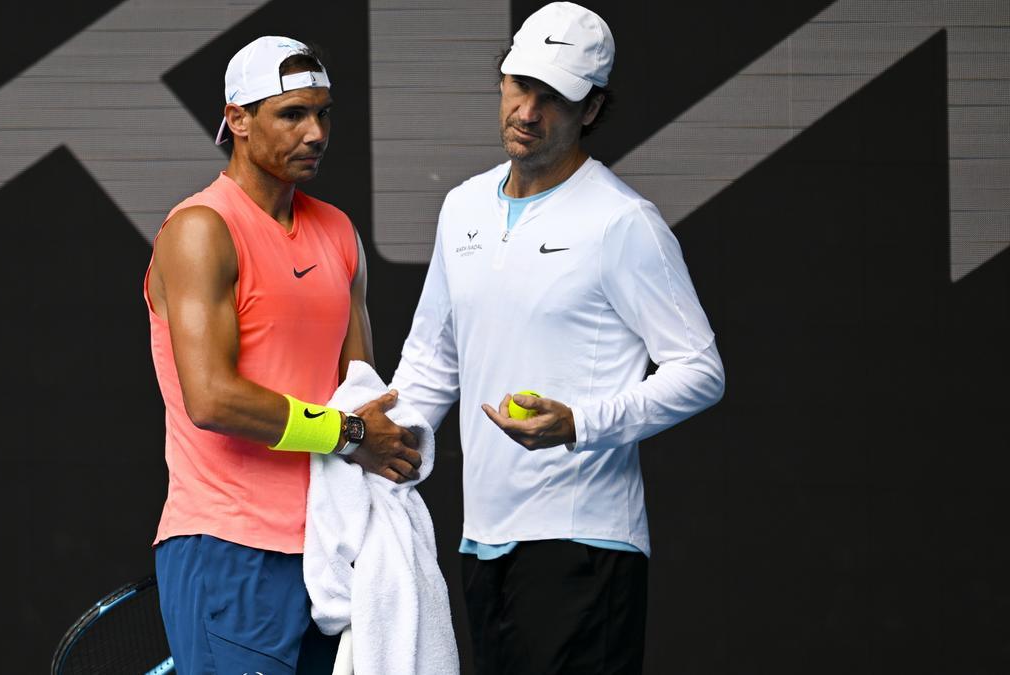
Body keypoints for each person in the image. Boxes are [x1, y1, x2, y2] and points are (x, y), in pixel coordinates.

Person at [390, 3, 726, 673]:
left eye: (554, 97)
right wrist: (391, 441)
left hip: (585, 542)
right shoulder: (461, 207)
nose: (528, 110)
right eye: (519, 84)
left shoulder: (624, 222)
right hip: (483, 541)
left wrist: (581, 423)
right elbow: (433, 354)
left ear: (591, 109)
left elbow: (701, 369)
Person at [143, 36, 422, 675]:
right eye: (292, 114)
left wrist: (380, 436)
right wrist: (351, 436)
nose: (316, 132)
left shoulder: (339, 231)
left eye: (323, 113)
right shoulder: (199, 230)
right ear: (237, 119)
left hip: (330, 549)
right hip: (228, 547)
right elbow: (211, 398)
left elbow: (358, 388)